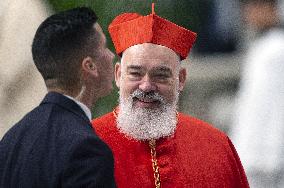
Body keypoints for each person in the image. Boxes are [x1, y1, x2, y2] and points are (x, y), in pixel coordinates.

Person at [92, 4, 249, 188]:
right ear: (118, 75)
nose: (147, 86)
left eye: (161, 75)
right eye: (135, 73)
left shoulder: (216, 146)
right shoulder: (85, 144)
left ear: (180, 79)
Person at [0, 7, 116, 187]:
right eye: (105, 47)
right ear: (90, 66)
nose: (111, 56)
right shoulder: (87, 149)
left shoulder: (11, 140)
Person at [232, 0, 284, 187]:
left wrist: (271, 157)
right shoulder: (262, 47)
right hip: (253, 155)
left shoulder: (277, 50)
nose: (249, 12)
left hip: (268, 159)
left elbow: (277, 106)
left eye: (256, 6)